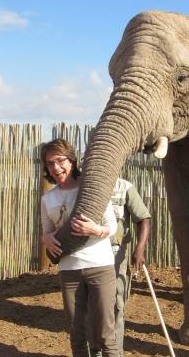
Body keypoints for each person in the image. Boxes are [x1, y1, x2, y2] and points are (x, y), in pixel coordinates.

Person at [40, 139, 119, 357]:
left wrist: (96, 230)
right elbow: (47, 231)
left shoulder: (90, 188)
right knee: (76, 334)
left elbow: (112, 226)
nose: (56, 167)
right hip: (68, 270)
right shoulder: (48, 198)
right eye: (49, 163)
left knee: (106, 334)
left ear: (71, 160)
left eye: (60, 160)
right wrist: (45, 238)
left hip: (100, 266)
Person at [88, 178, 151, 357]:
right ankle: (96, 352)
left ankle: (115, 353)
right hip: (89, 254)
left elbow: (143, 218)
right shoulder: (83, 185)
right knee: (91, 306)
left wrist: (140, 248)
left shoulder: (124, 188)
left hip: (115, 253)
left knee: (115, 305)